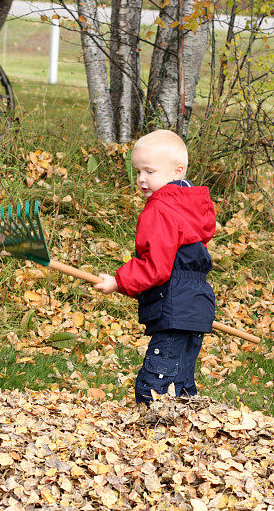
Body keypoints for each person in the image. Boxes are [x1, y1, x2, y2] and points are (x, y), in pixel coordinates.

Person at [93, 129, 216, 404]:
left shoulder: (160, 209)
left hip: (175, 310)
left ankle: (152, 443)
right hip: (195, 309)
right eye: (137, 171)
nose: (141, 179)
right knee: (182, 386)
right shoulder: (189, 206)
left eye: (149, 171)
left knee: (153, 388)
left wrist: (118, 282)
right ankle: (190, 438)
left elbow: (156, 266)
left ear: (177, 170)